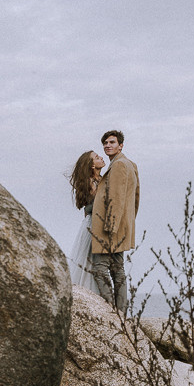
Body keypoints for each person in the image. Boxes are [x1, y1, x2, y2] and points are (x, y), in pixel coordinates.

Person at [89, 130, 140, 312]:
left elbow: (116, 198)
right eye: (105, 143)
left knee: (100, 268)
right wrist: (128, 222)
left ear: (121, 146)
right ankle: (121, 313)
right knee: (118, 269)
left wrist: (111, 226)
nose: (107, 145)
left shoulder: (119, 165)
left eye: (112, 142)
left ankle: (111, 311)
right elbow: (135, 198)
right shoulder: (130, 164)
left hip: (110, 226)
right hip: (121, 225)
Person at [67, 149, 105, 290]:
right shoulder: (91, 182)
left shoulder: (100, 179)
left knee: (96, 261)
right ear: (92, 165)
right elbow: (98, 202)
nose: (101, 157)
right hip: (93, 224)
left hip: (95, 222)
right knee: (91, 260)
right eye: (97, 157)